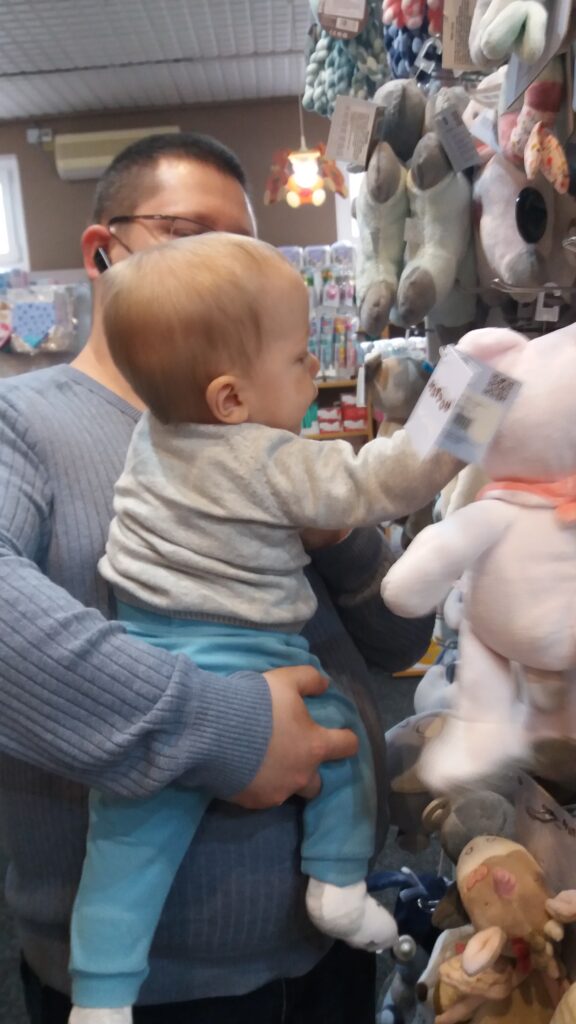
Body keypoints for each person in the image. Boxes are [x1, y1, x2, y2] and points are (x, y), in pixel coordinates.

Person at [0, 133, 444, 1024]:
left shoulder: (271, 432)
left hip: (323, 953)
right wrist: (230, 730)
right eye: (192, 236)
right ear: (104, 253)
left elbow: (402, 634)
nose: (231, 268)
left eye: (248, 246)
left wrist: (335, 533)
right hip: (165, 993)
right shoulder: (25, 423)